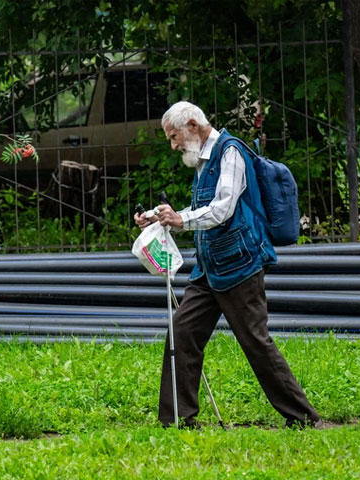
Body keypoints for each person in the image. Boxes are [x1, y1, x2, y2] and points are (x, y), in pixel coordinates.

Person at [134, 101, 319, 429]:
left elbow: (222, 210)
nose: (173, 145)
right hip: (209, 267)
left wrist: (180, 219)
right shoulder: (202, 159)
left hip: (240, 265)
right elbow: (200, 213)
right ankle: (178, 420)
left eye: (174, 136)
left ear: (193, 125)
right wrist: (158, 218)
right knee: (182, 334)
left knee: (255, 342)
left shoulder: (230, 152)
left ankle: (303, 418)